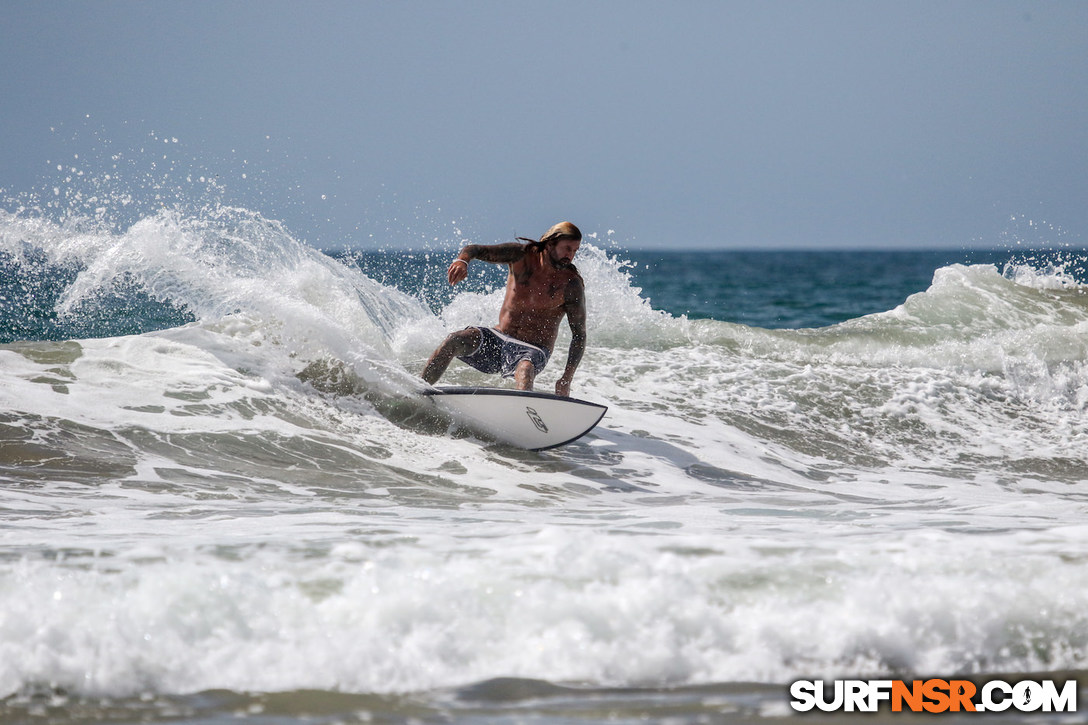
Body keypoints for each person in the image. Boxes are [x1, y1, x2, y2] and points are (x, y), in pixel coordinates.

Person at [421, 221, 586, 397]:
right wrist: (463, 261)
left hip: (533, 349)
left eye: (575, 251)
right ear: (550, 243)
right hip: (498, 340)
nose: (570, 255)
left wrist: (566, 379)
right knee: (453, 340)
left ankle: (522, 415)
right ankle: (418, 392)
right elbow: (475, 249)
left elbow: (579, 334)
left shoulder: (571, 284)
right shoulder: (520, 256)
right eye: (567, 248)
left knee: (525, 369)